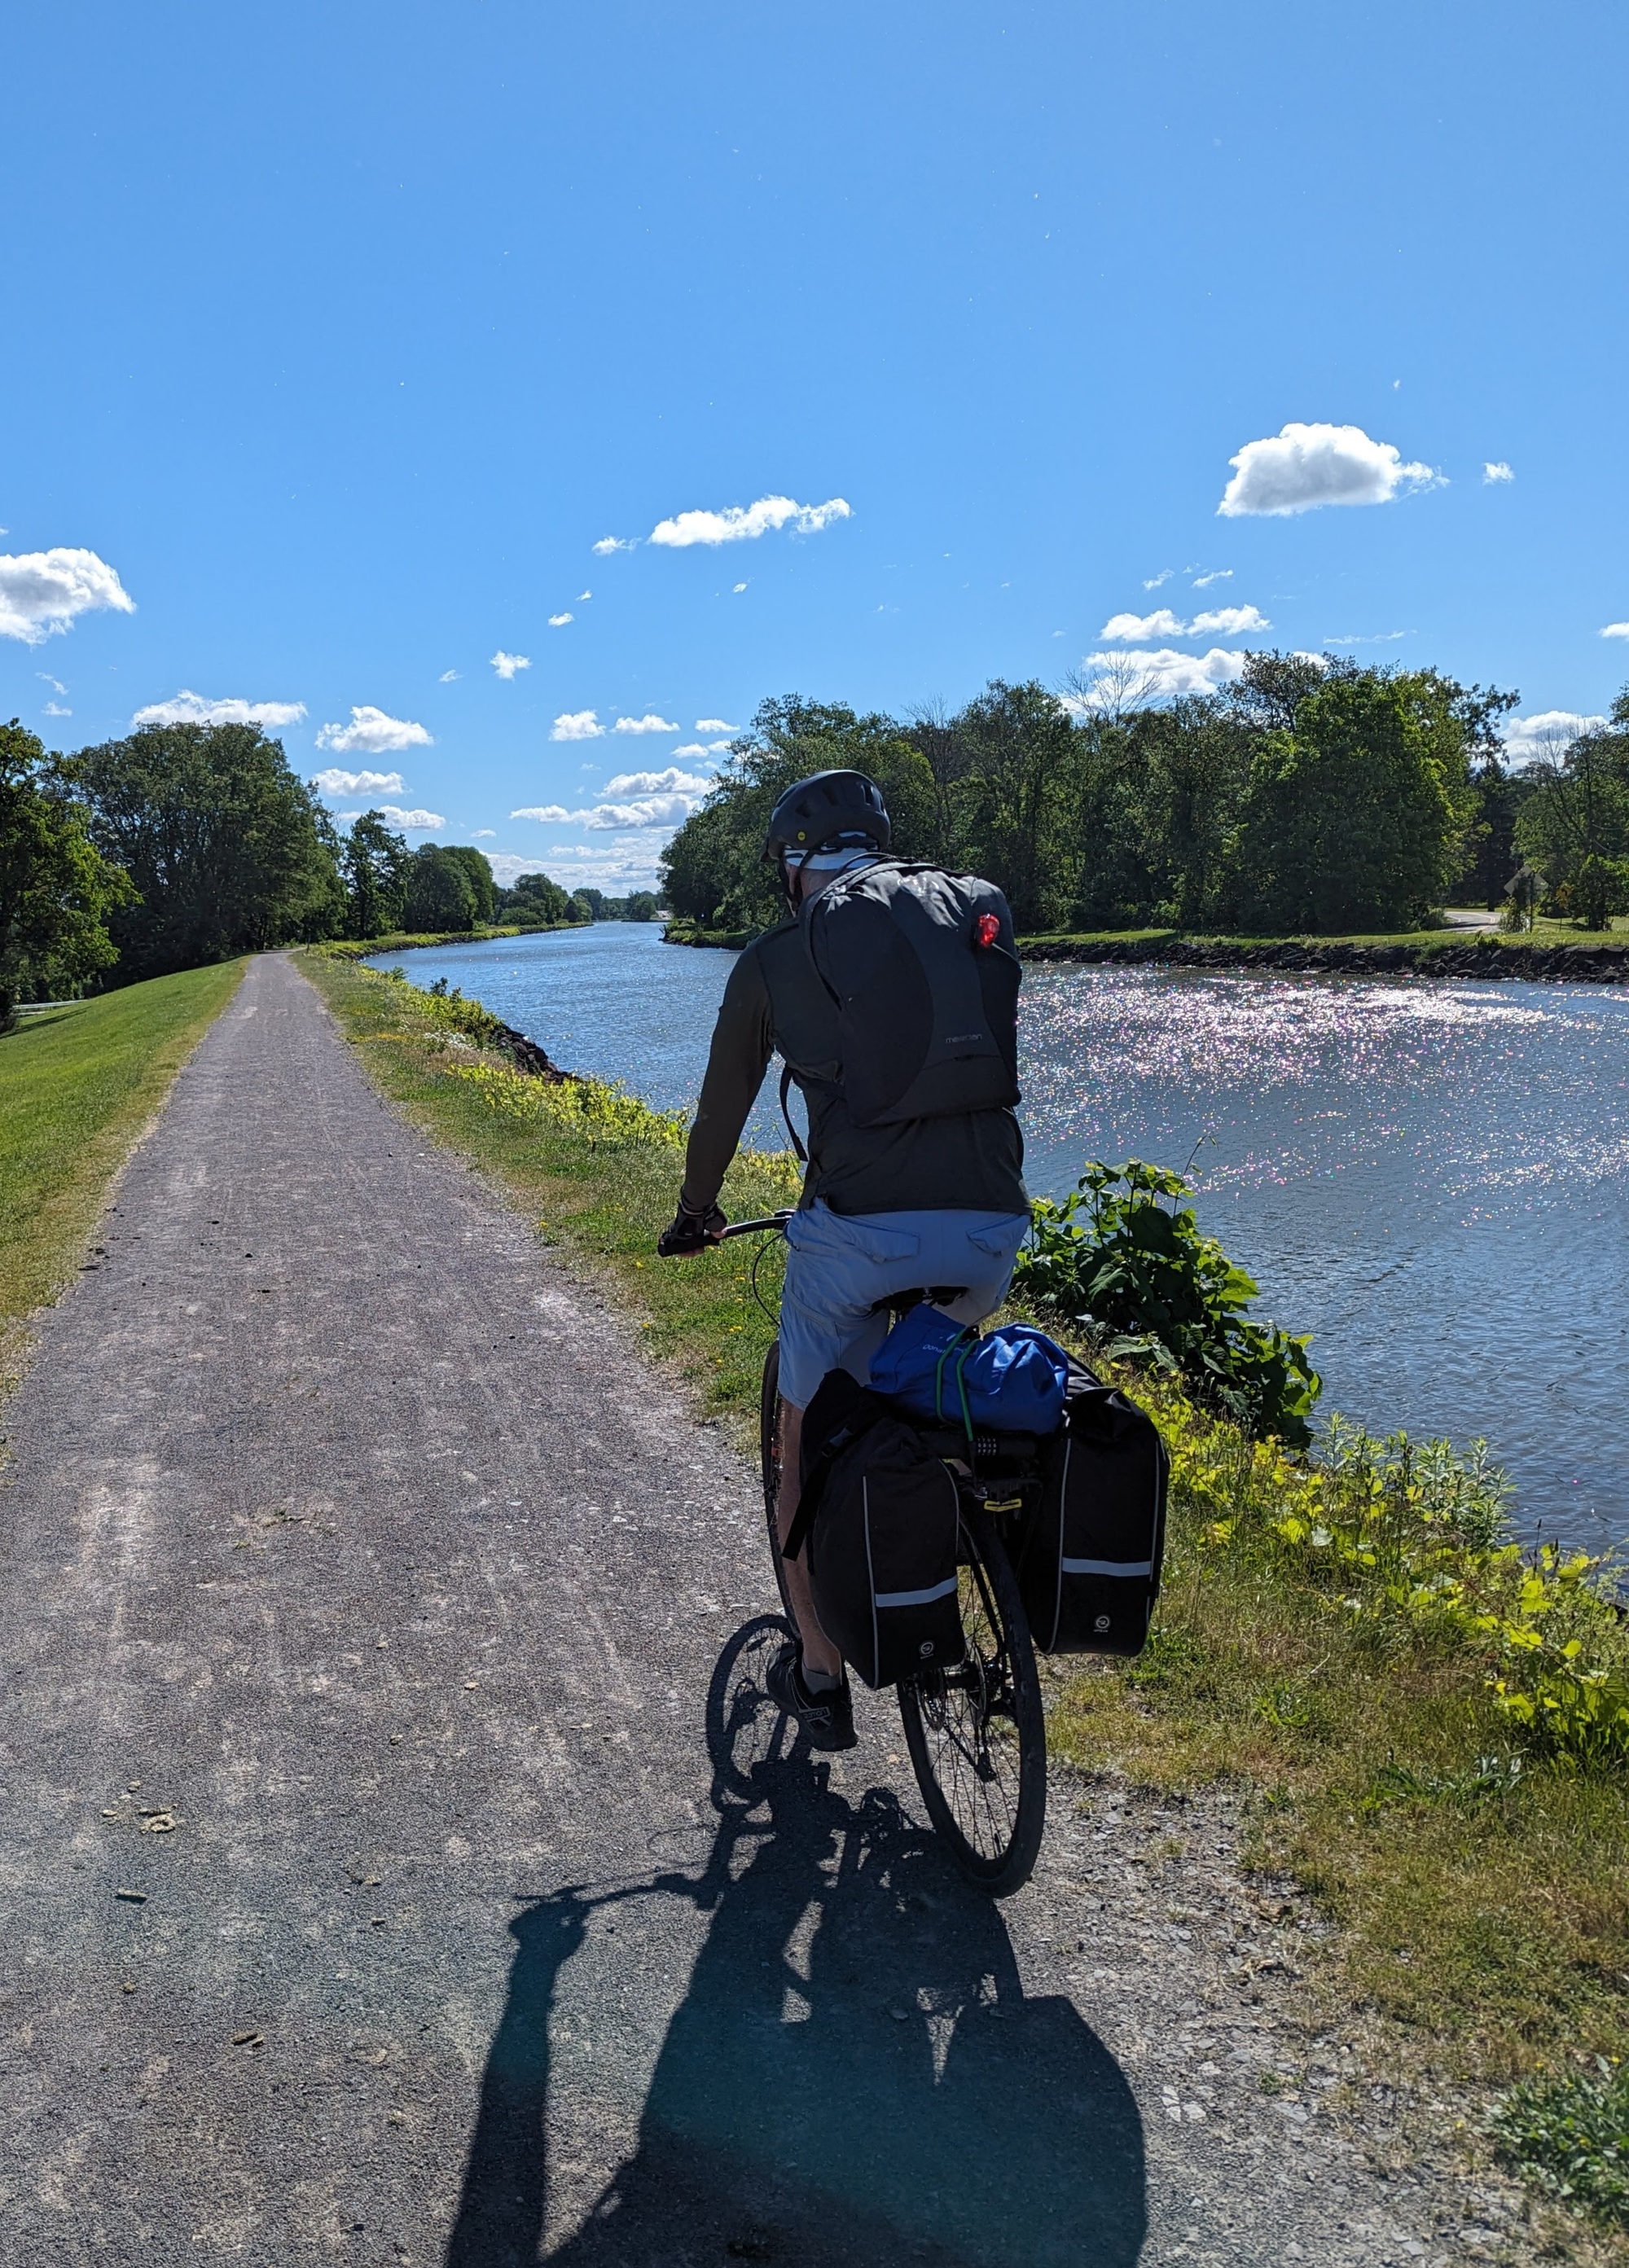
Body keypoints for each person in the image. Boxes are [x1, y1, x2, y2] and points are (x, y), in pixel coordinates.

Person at [657, 769, 1030, 1751]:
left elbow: (720, 1111)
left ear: (793, 861)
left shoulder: (778, 957)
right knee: (930, 1389)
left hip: (857, 1237)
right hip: (992, 1228)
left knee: (801, 1443)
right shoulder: (960, 921)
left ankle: (820, 1676)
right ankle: (966, 1561)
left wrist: (696, 1211)